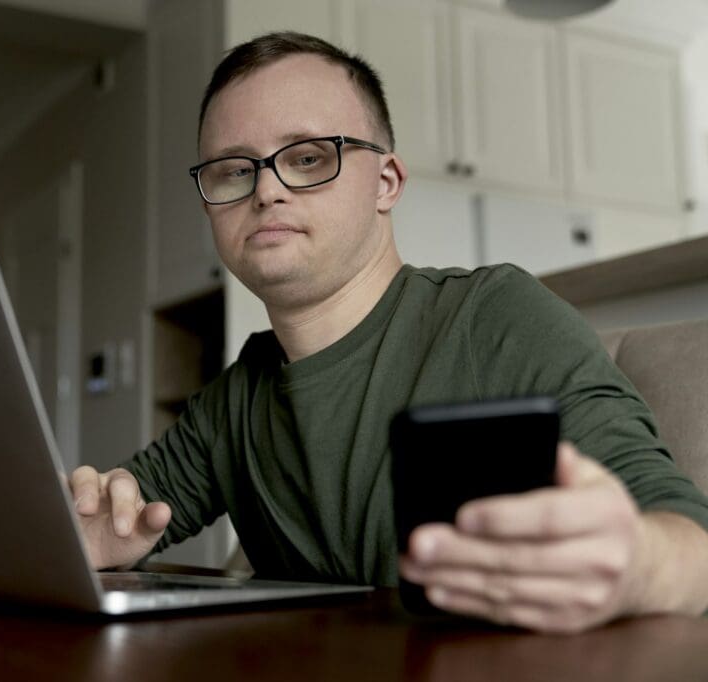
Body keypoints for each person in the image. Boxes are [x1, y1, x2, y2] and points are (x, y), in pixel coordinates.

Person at [69, 31, 708, 633]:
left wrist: (638, 565)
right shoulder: (233, 400)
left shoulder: (494, 316)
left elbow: (692, 545)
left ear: (386, 182)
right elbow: (117, 517)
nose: (266, 190)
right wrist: (88, 534)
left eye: (308, 157)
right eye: (234, 170)